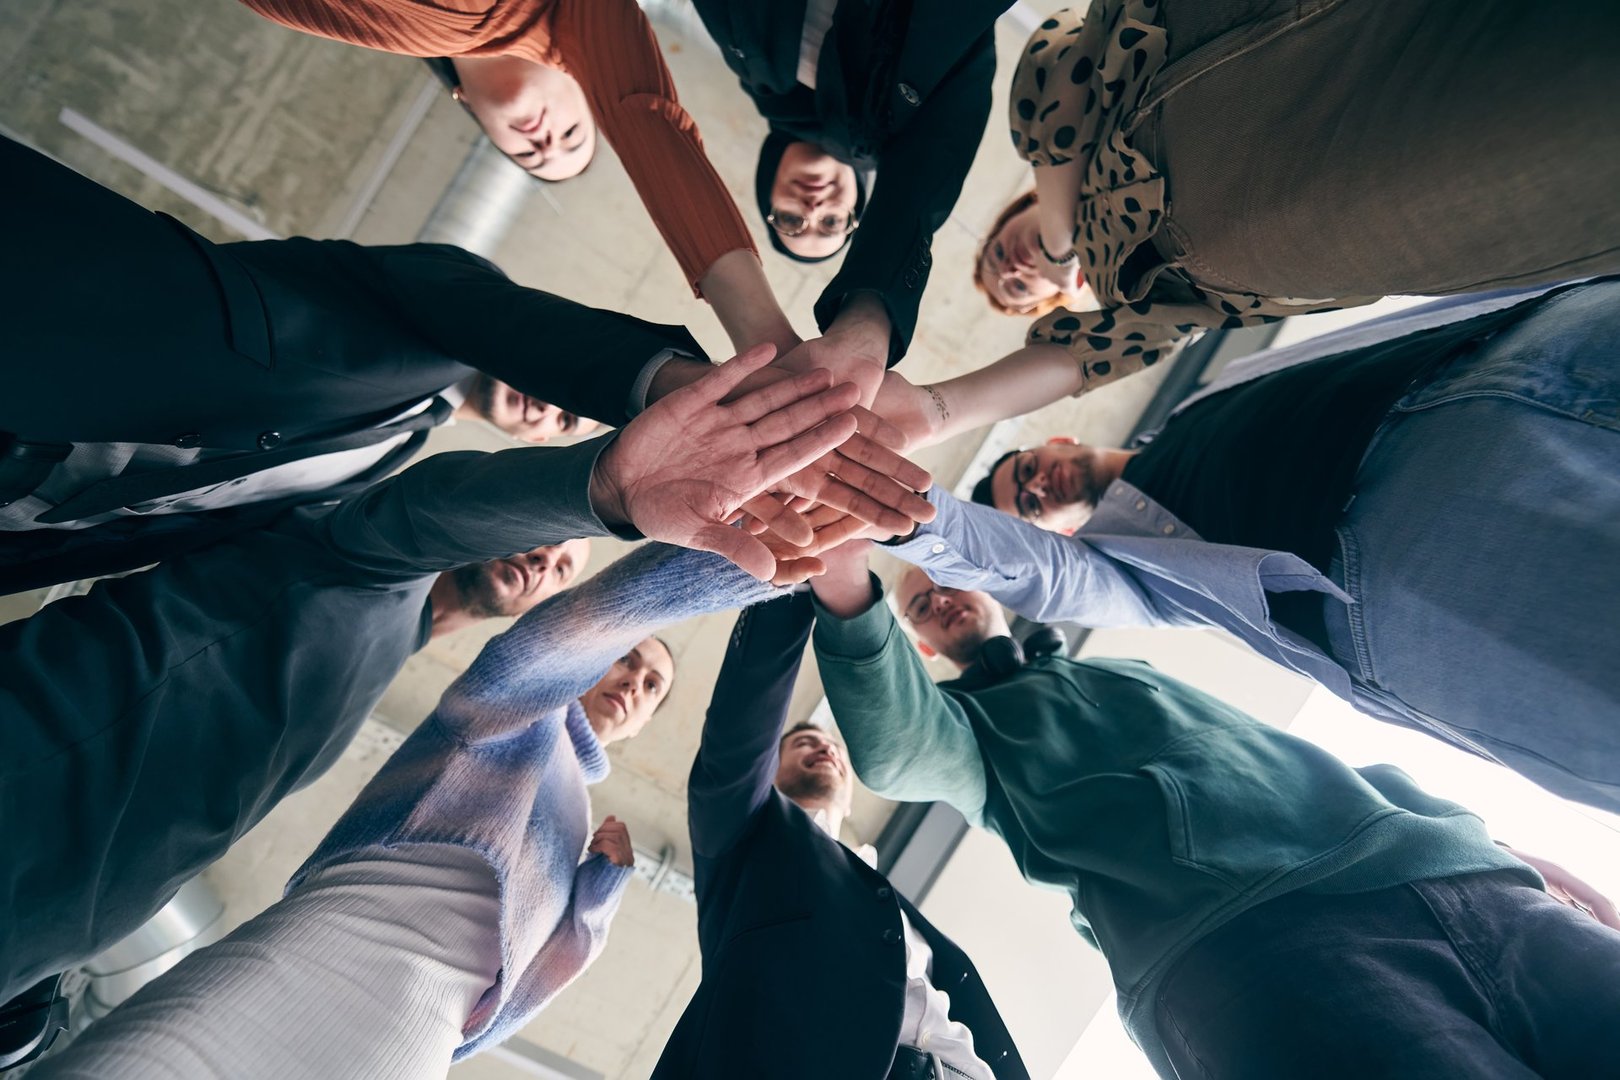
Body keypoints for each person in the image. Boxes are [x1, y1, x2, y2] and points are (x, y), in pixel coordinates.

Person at [0, 347, 878, 1005]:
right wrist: (603, 492)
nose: (546, 561)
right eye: (548, 541)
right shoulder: (363, 553)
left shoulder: (375, 683)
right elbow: (438, 519)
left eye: (564, 568)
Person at [808, 541, 1620, 1079]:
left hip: (1469, 886)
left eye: (947, 583)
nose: (942, 601)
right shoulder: (969, 735)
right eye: (920, 608)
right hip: (1260, 956)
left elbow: (1291, 762)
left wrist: (1509, 857)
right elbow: (901, 747)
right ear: (916, 645)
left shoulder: (1122, 665)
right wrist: (845, 578)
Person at [29, 543, 784, 1079]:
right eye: (629, 659)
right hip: (317, 962)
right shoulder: (524, 715)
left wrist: (598, 896)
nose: (633, 682)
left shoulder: (579, 815)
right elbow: (567, 632)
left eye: (653, 686)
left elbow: (519, 997)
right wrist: (752, 557)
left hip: (413, 1048)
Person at [884, 278, 1620, 812]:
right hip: (1438, 551)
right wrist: (901, 510)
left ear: (1056, 440)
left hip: (1535, 349)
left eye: (1024, 472)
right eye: (1030, 505)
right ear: (1059, 530)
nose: (1038, 485)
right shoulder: (1136, 574)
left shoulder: (1211, 392)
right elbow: (1043, 580)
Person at [232, 0, 898, 403]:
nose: (546, 140)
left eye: (533, 155)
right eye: (574, 135)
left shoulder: (336, 18)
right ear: (580, 84)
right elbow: (649, 122)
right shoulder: (565, 17)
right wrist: (765, 337)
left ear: (477, 120)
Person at [972, 1, 1620, 402]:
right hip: (1303, 223)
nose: (1014, 268)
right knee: (1554, 140)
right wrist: (935, 411)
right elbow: (1079, 360)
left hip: (1218, 54)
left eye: (1000, 256)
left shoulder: (1047, 144)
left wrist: (1060, 247)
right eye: (1021, 289)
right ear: (1056, 306)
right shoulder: (1128, 303)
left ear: (1012, 212)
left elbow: (1056, 64)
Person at [652, 592, 1027, 1079]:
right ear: (771, 772)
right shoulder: (744, 835)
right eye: (803, 743)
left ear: (851, 797)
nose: (824, 747)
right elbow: (738, 736)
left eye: (832, 746)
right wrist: (793, 586)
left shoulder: (879, 893)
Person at [690, 0, 1012, 367]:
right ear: (858, 205)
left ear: (769, 193)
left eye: (791, 221)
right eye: (831, 222)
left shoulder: (751, 65)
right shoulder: (909, 125)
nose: (812, 210)